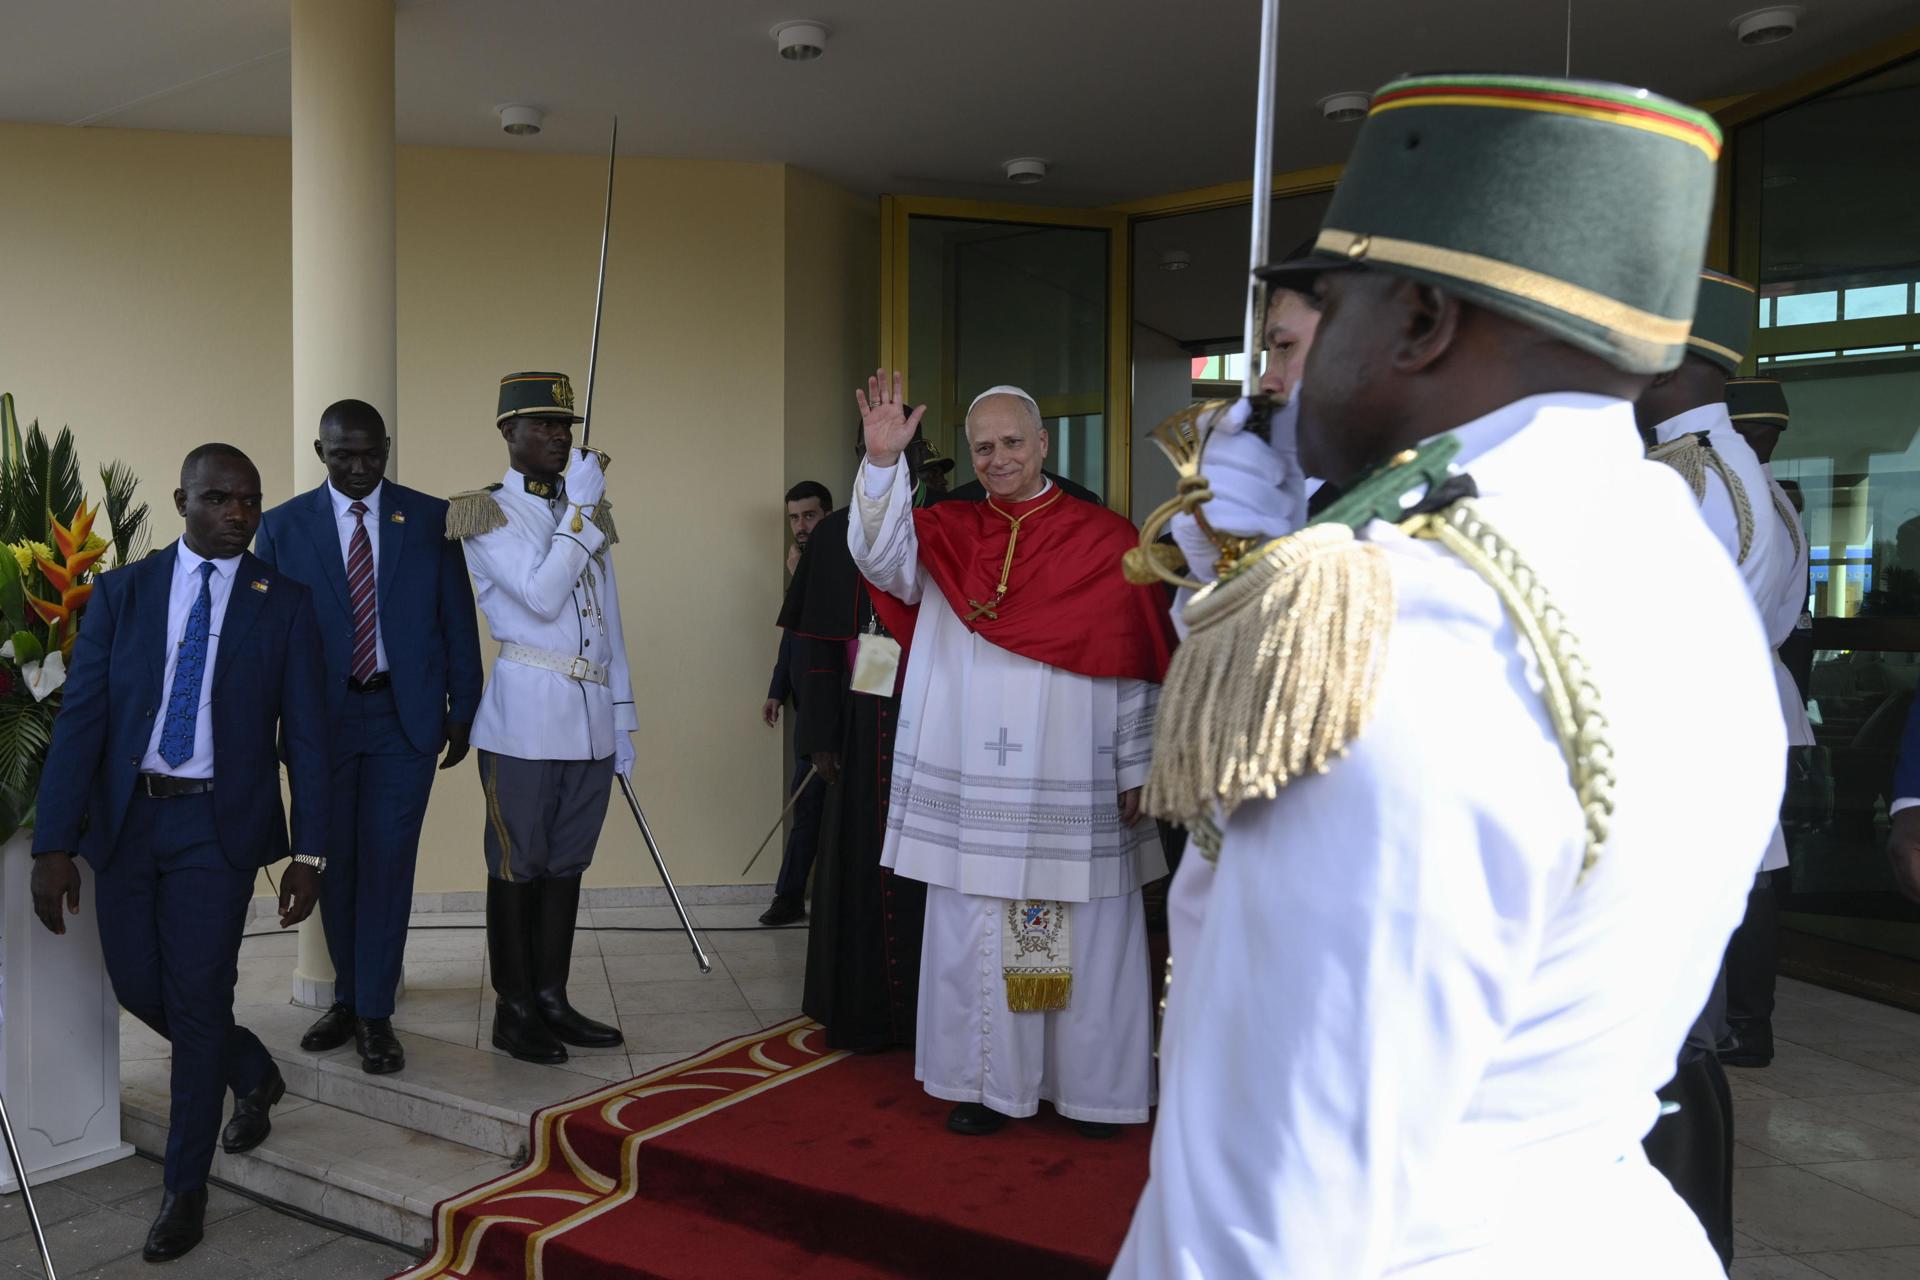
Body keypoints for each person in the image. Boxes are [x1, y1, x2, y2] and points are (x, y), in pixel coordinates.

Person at [1115, 74, 1782, 1278]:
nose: (1298, 362)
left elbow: (1272, 1213)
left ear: (1418, 320)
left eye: (1336, 307)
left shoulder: (1402, 627)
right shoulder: (1668, 550)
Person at [849, 372, 1176, 1138]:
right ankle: (994, 1084)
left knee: (1066, 927)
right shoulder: (949, 531)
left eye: (1011, 443)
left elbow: (1135, 661)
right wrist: (881, 465)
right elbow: (878, 557)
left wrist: (1138, 764)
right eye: (983, 447)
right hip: (978, 778)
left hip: (1072, 775)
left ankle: (1084, 1087)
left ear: (1044, 444)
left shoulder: (1108, 541)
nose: (997, 458)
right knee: (985, 927)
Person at [31, 444, 328, 1262]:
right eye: (220, 499)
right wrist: (53, 844)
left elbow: (306, 735)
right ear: (183, 500)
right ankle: (249, 1065)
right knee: (138, 985)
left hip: (216, 830)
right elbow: (82, 721)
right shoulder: (124, 594)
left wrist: (313, 853)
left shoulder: (285, 603)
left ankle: (183, 1189)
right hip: (126, 824)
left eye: (250, 501)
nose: (238, 514)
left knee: (197, 999)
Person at [255, 399, 483, 1075]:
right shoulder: (282, 527)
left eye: (371, 453)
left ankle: (376, 1013)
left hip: (402, 718)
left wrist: (463, 706)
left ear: (387, 447)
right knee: (330, 862)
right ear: (320, 451)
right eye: (343, 455)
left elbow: (456, 619)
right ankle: (350, 999)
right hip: (317, 722)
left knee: (386, 864)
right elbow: (265, 638)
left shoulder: (430, 518)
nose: (359, 468)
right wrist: (269, 726)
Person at [448, 371, 635, 1064]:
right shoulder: (487, 511)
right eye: (542, 425)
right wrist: (580, 517)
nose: (559, 437)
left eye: (565, 427)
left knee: (566, 865)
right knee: (518, 865)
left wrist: (623, 716)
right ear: (508, 433)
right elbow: (541, 596)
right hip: (525, 717)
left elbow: (607, 618)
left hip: (588, 715)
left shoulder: (583, 506)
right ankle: (515, 1008)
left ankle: (553, 997)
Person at [782, 433, 948, 1052]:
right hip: (867, 714)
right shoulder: (836, 534)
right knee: (865, 857)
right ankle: (866, 1007)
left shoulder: (949, 520)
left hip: (942, 712)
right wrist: (820, 734)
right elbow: (817, 646)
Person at [1722, 375, 1814, 1071]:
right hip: (1759, 693)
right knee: (1751, 869)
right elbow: (1784, 621)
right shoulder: (1777, 501)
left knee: (1747, 873)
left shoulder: (1736, 492)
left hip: (1734, 698)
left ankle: (1745, 1026)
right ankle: (1745, 1022)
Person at [758, 479, 833, 926]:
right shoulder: (799, 563)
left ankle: (815, 899)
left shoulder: (843, 559)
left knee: (828, 812)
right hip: (807, 708)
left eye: (809, 516)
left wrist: (801, 578)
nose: (801, 526)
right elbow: (793, 637)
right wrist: (775, 689)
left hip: (838, 708)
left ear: (827, 514)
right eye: (794, 518)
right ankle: (789, 898)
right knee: (805, 810)